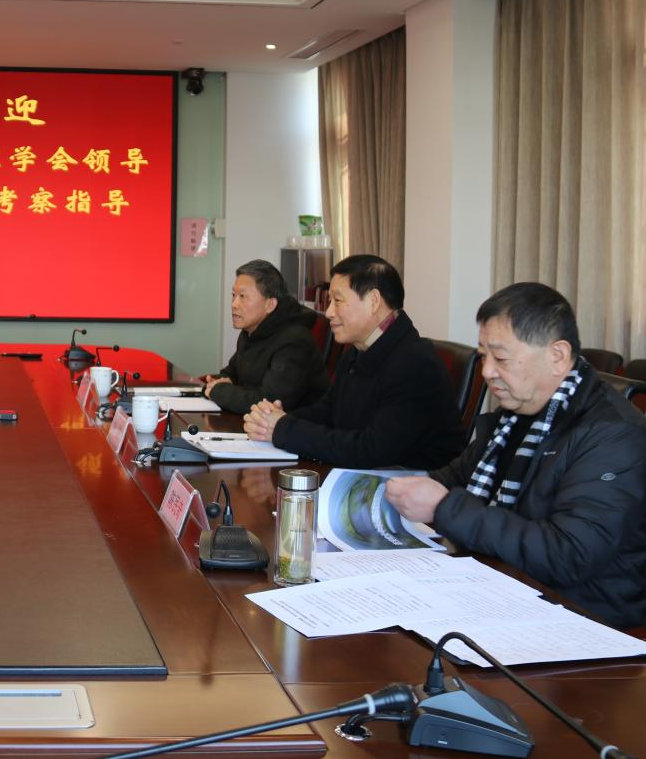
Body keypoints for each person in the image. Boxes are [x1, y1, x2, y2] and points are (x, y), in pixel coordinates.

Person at [385, 283, 646, 628]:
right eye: (483, 356)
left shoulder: (613, 435)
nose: (487, 371)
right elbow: (456, 476)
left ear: (557, 356)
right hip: (504, 583)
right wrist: (392, 490)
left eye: (501, 358)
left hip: (582, 615)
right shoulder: (516, 415)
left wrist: (445, 507)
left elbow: (569, 554)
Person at [243, 254, 465, 469]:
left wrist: (284, 428)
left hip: (409, 483)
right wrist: (271, 421)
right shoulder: (358, 350)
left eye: (337, 301)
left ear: (373, 301)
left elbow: (371, 450)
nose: (328, 312)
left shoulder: (415, 363)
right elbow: (328, 412)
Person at [203, 259, 329, 414]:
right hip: (253, 424)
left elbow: (269, 403)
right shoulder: (251, 330)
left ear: (270, 305)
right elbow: (232, 373)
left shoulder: (295, 341)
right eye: (233, 295)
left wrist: (218, 391)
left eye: (243, 296)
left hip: (295, 426)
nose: (234, 304)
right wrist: (215, 383)